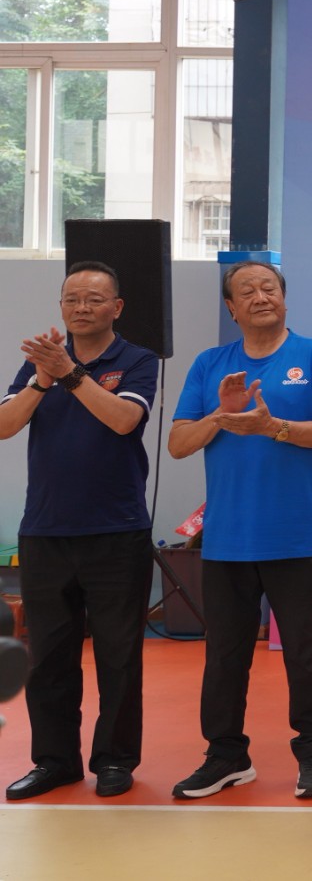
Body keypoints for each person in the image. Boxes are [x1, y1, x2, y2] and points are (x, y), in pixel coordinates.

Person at [167, 260, 312, 801]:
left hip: (295, 537)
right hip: (227, 540)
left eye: (269, 287)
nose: (260, 296)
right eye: (246, 290)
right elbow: (178, 444)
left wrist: (273, 427)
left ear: (284, 298)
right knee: (225, 655)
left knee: (304, 653)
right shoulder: (210, 364)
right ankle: (226, 756)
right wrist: (221, 415)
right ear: (232, 308)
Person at [0, 262, 159, 800]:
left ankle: (114, 760)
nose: (82, 307)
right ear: (61, 307)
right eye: (72, 299)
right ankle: (54, 761)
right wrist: (43, 378)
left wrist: (69, 374)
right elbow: (5, 425)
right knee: (48, 657)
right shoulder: (41, 362)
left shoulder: (136, 360)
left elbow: (123, 420)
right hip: (45, 530)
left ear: (117, 307)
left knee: (118, 655)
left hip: (117, 532)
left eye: (94, 298)